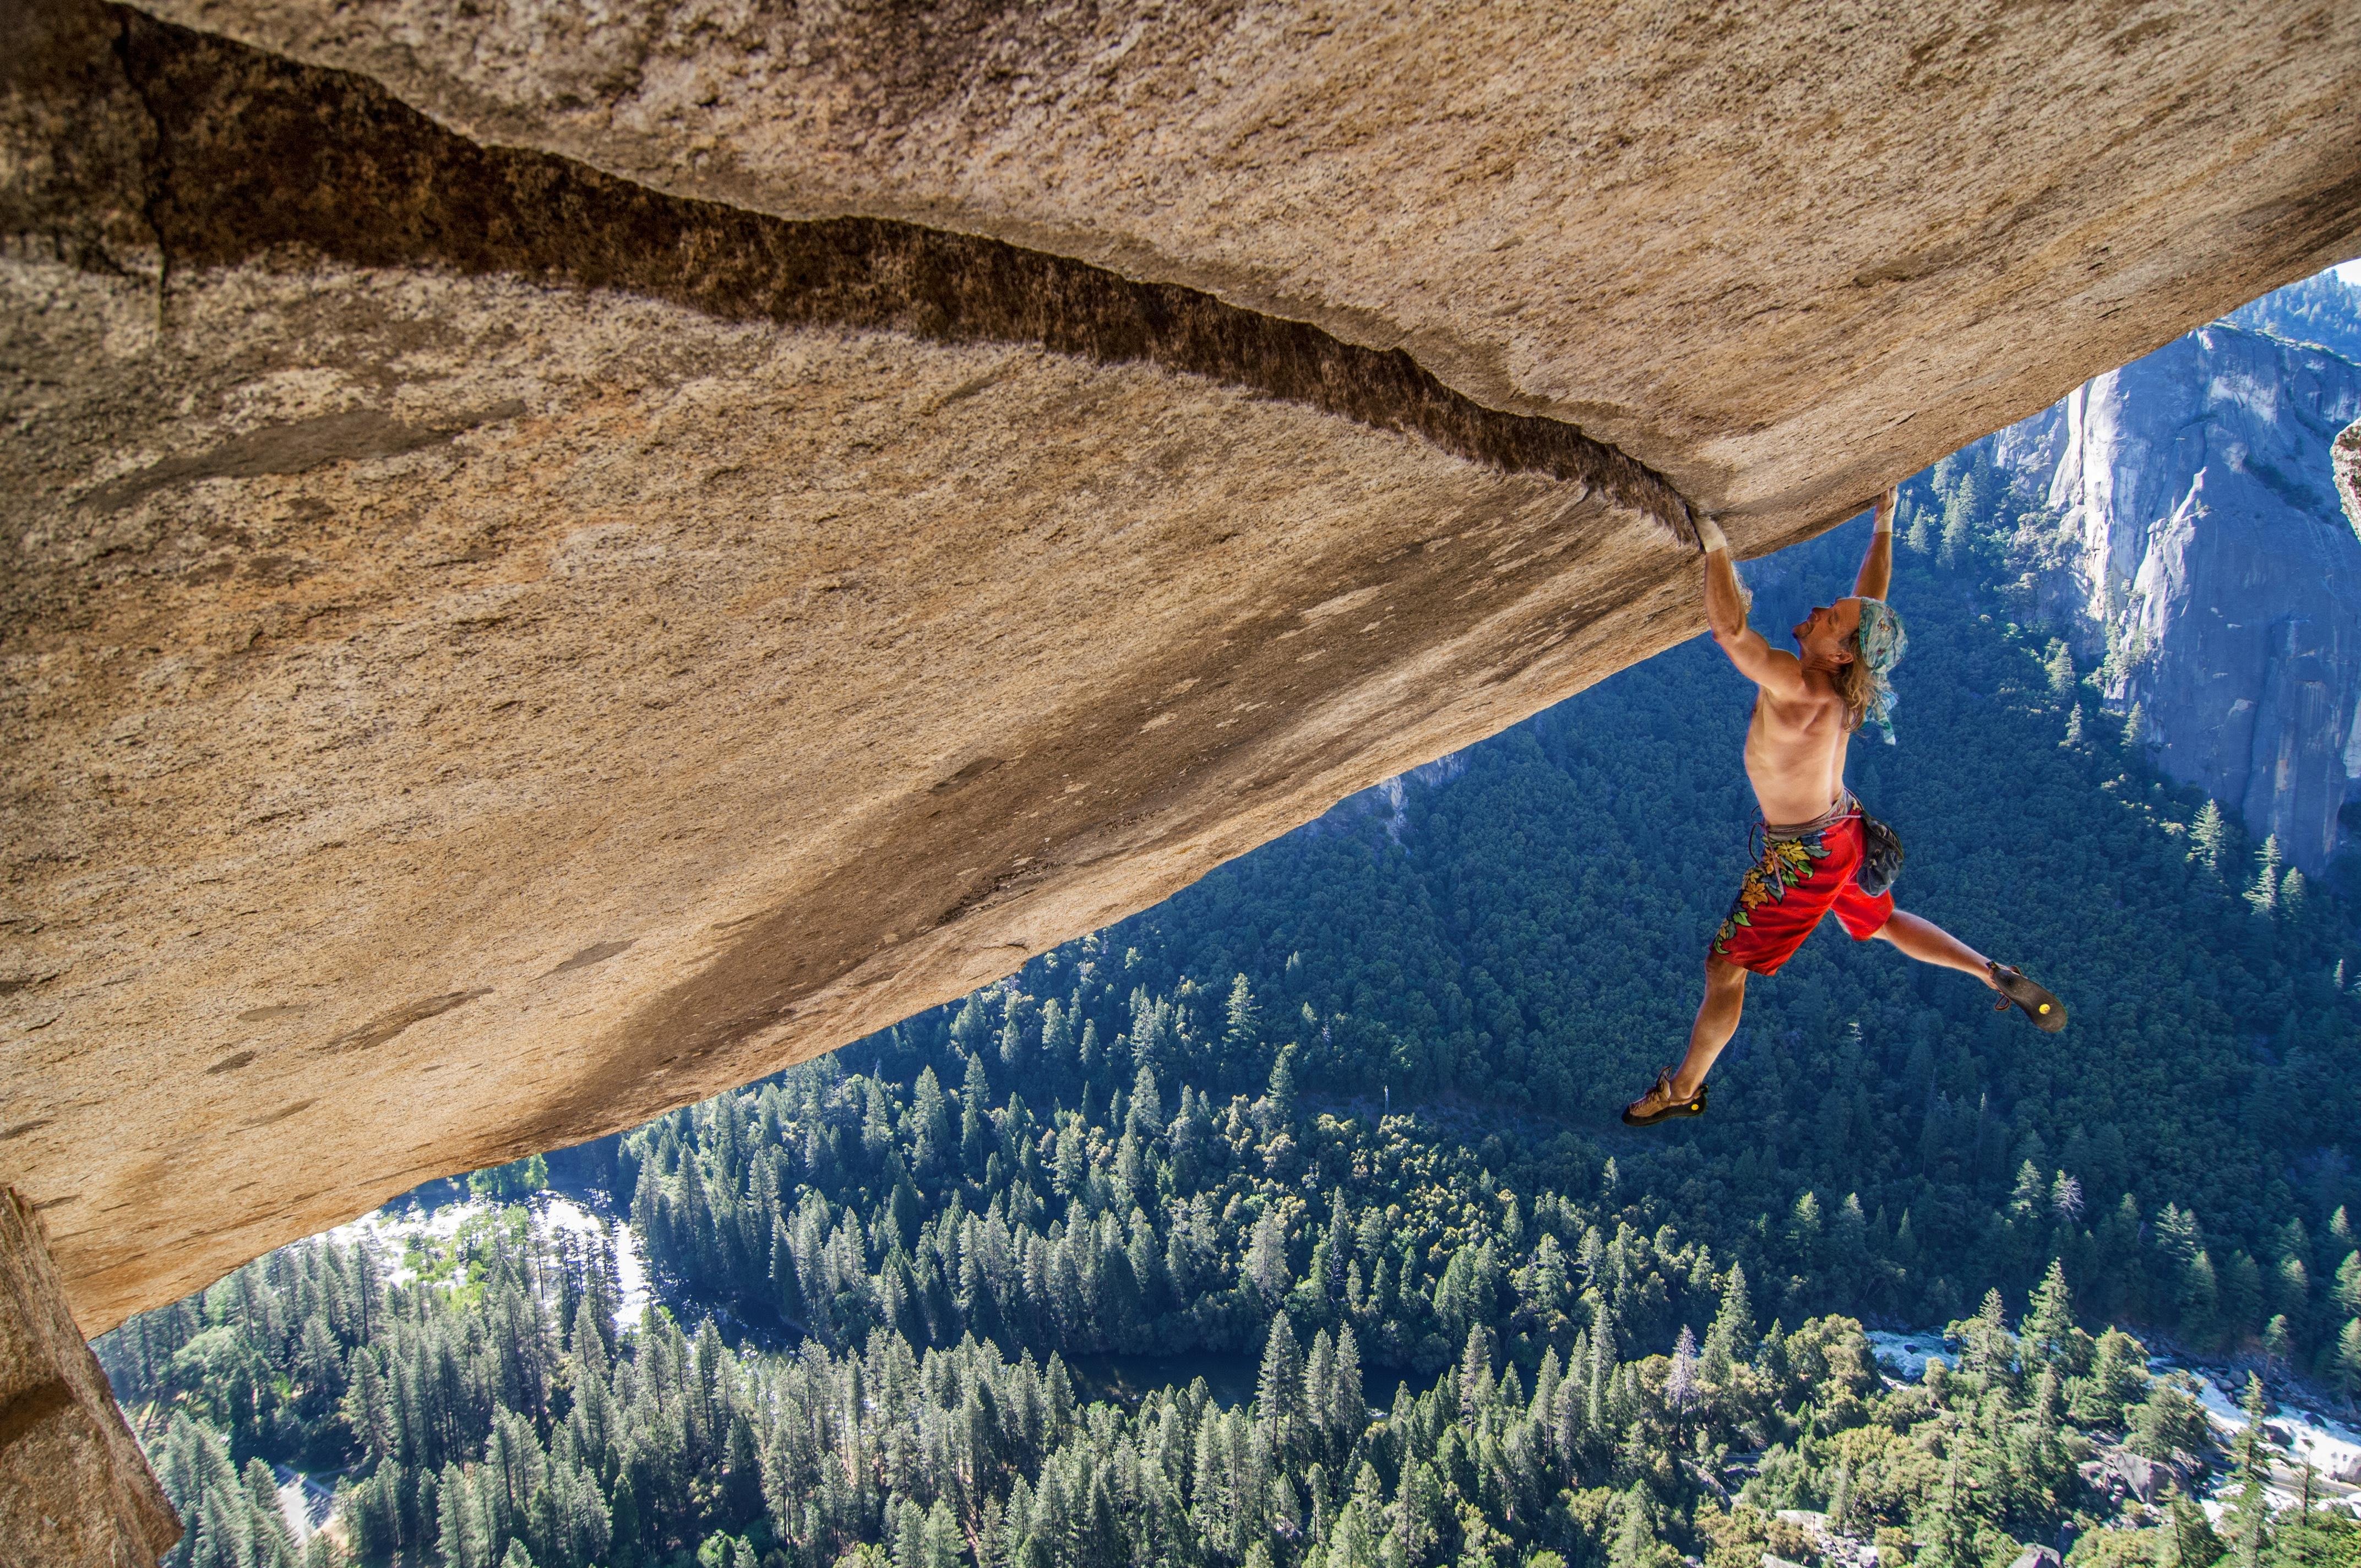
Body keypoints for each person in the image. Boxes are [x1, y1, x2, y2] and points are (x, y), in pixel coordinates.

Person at [1622, 487, 2065, 1128]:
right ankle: (1986, 970)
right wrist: (1883, 524)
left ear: (1839, 652)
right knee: (1878, 922)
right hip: (1841, 834)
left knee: (1727, 966)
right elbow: (1872, 604)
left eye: (1830, 617)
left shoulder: (1800, 686)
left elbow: (1730, 630)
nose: (1819, 608)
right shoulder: (1851, 685)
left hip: (1806, 856)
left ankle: (1685, 1086)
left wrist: (1711, 540)